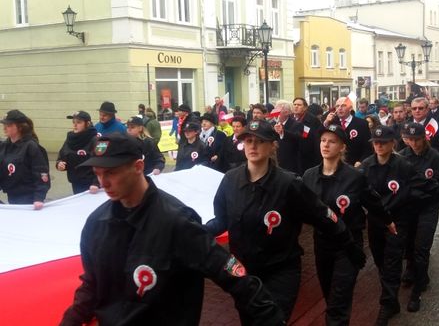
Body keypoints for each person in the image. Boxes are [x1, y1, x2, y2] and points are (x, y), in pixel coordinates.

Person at [60, 133, 285, 326]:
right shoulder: (96, 224)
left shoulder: (176, 221)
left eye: (111, 173)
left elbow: (229, 271)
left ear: (138, 167)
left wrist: (269, 314)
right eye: (98, 174)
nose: (103, 182)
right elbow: (92, 283)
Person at [205, 119, 362, 323]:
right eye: (248, 140)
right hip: (245, 272)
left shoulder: (289, 184)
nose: (252, 146)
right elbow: (221, 220)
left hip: (280, 270)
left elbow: (322, 215)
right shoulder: (230, 180)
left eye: (259, 141)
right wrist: (197, 231)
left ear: (272, 145)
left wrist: (348, 245)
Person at [303, 124, 394, 325]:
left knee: (339, 300)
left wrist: (387, 221)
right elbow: (300, 207)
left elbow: (373, 202)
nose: (326, 145)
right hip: (322, 244)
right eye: (323, 140)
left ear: (342, 146)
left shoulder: (355, 177)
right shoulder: (309, 176)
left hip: (348, 245)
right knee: (329, 294)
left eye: (332, 141)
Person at [358, 126, 437, 325]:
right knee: (380, 261)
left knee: (393, 262)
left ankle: (388, 304)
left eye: (383, 142)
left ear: (392, 143)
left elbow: (426, 185)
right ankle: (391, 298)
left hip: (399, 220)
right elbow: (356, 191)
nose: (379, 146)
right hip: (376, 221)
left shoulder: (403, 164)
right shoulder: (366, 166)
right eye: (375, 143)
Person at [399, 123, 439, 312]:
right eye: (411, 140)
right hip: (408, 207)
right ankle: (411, 269)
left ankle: (418, 287)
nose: (414, 144)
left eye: (417, 139)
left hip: (428, 207)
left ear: (424, 138)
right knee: (408, 243)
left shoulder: (434, 157)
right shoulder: (402, 156)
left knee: (422, 247)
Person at [0, 110, 50, 209]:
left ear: (20, 127)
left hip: (28, 198)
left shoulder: (31, 146)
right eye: (4, 124)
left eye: (9, 125)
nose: (4, 128)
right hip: (11, 194)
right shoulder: (5, 146)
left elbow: (41, 173)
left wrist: (39, 198)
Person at [56, 111, 99, 194]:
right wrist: (59, 164)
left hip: (91, 185)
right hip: (75, 182)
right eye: (73, 122)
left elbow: (102, 163)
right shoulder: (70, 138)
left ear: (88, 124)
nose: (75, 125)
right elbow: (62, 155)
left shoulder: (96, 140)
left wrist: (96, 183)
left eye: (79, 122)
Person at [323, 96, 372, 167]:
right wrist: (326, 122)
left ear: (350, 108)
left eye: (343, 105)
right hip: (335, 166)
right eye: (337, 106)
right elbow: (320, 138)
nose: (340, 108)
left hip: (355, 166)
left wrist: (361, 161)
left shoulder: (362, 124)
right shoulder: (331, 122)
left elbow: (368, 148)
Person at [292, 97, 322, 174]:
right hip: (293, 157)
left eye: (299, 105)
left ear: (305, 107)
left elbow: (317, 139)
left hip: (309, 158)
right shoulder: (291, 119)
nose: (296, 106)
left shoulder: (313, 120)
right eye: (294, 104)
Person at [274, 100, 303, 174]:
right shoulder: (273, 124)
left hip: (290, 165)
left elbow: (298, 138)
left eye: (277, 110)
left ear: (286, 112)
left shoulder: (297, 124)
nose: (274, 112)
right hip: (276, 164)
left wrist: (283, 132)